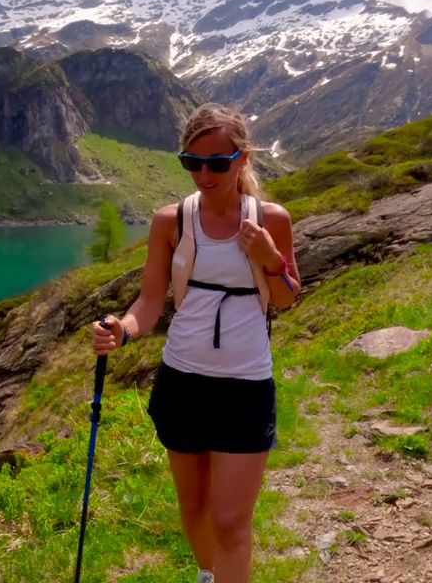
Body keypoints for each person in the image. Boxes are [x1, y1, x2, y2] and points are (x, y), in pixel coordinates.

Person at [91, 104, 301, 583]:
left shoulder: (272, 219)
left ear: (242, 158)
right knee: (195, 509)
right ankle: (208, 575)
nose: (204, 174)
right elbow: (149, 301)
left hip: (246, 386)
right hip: (182, 381)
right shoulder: (172, 221)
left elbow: (286, 301)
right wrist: (121, 331)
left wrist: (270, 259)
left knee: (230, 521)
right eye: (192, 163)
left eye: (218, 163)